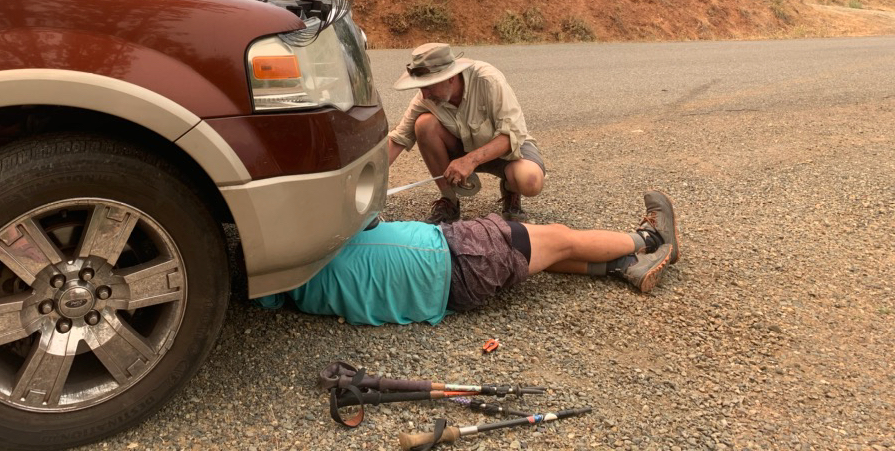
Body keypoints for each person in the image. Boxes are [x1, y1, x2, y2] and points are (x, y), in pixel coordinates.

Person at [255, 191, 680, 326]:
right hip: (456, 254)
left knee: (536, 256)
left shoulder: (284, 291)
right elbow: (363, 211)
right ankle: (649, 238)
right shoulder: (314, 240)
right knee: (559, 238)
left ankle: (622, 266)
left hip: (448, 293)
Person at [388, 42, 545, 224]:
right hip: (463, 150)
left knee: (531, 181)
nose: (424, 95)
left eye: (428, 86)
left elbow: (512, 135)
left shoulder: (488, 80)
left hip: (505, 151)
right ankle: (450, 201)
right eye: (421, 87)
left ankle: (511, 188)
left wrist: (470, 160)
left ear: (451, 78)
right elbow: (398, 140)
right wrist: (366, 181)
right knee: (424, 124)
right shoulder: (426, 99)